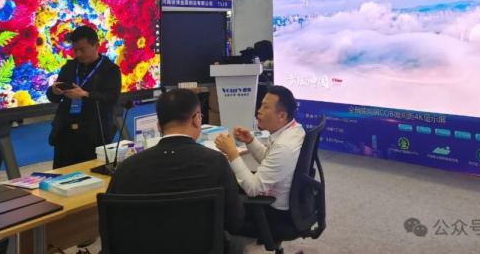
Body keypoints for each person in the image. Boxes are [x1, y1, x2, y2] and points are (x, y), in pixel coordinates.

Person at [107, 88, 244, 234]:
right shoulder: (216, 162)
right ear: (196, 119)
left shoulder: (127, 168)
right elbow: (234, 222)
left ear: (158, 126)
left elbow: (110, 225)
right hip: (202, 244)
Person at [215, 85, 305, 236]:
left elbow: (253, 188)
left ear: (281, 116)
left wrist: (232, 153)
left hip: (274, 213)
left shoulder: (284, 147)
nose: (259, 111)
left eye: (265, 107)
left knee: (217, 209)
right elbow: (269, 159)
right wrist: (250, 141)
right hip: (283, 201)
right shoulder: (294, 130)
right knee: (228, 181)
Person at [46, 25, 121, 168]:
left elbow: (111, 98)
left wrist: (85, 94)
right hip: (65, 133)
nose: (78, 54)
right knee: (61, 175)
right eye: (75, 50)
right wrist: (54, 91)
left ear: (96, 46)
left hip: (94, 134)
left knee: (93, 175)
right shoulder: (69, 67)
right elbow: (53, 97)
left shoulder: (110, 70)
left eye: (82, 49)